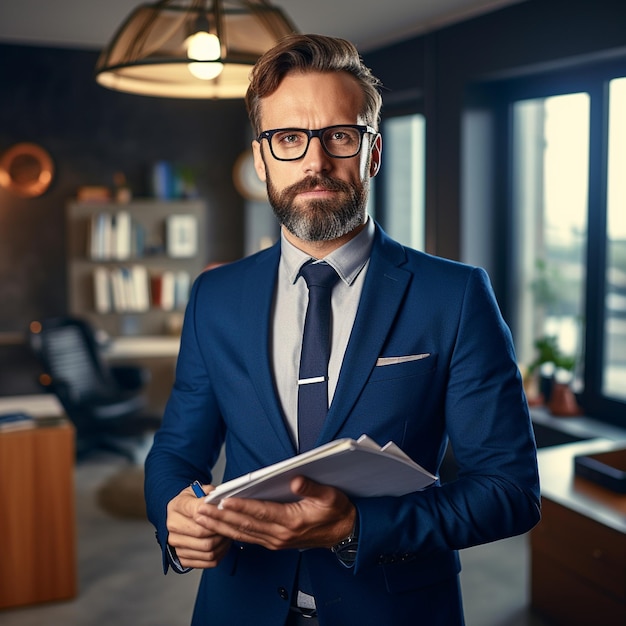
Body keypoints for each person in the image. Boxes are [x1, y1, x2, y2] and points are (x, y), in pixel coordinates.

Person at [144, 33, 540, 626]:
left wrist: (358, 526)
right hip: (239, 605)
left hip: (394, 608)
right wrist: (173, 517)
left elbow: (510, 491)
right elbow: (177, 453)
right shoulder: (215, 296)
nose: (315, 161)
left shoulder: (454, 295)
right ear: (260, 158)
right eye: (287, 138)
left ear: (373, 153)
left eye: (340, 136)